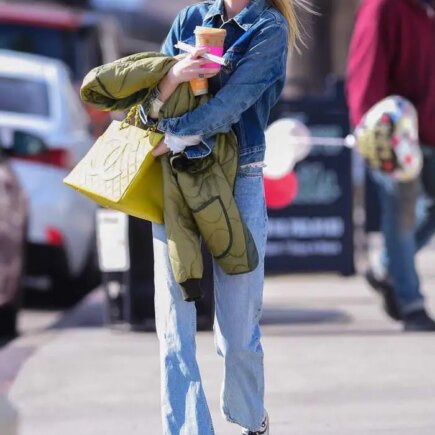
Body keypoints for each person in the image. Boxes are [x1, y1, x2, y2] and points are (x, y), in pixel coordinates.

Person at [139, 0, 305, 433]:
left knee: (236, 336)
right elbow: (144, 103)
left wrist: (173, 137)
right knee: (174, 328)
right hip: (175, 177)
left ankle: (251, 419)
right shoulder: (191, 19)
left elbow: (231, 106)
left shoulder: (267, 29)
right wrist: (175, 74)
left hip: (239, 177)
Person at [346, 0, 435, 332]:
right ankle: (411, 304)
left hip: (430, 130)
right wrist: (369, 130)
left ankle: (385, 266)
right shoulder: (383, 6)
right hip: (392, 134)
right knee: (400, 214)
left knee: (417, 215)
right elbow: (365, 67)